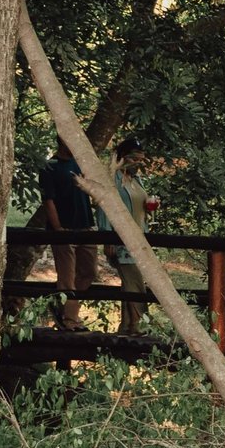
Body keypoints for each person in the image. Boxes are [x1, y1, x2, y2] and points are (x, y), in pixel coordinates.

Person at [94, 138, 153, 333]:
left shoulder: (136, 179)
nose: (137, 163)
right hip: (120, 239)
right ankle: (138, 324)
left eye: (140, 160)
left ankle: (127, 325)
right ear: (123, 157)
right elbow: (104, 207)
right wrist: (107, 236)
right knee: (134, 280)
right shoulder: (113, 179)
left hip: (140, 237)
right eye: (134, 158)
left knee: (130, 283)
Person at [39, 138, 95, 330]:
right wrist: (58, 228)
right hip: (64, 229)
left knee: (88, 272)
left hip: (85, 226)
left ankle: (63, 310)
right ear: (62, 142)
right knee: (67, 277)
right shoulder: (49, 167)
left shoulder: (80, 163)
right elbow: (48, 200)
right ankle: (70, 321)